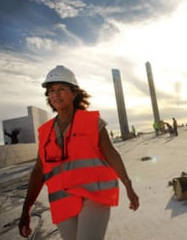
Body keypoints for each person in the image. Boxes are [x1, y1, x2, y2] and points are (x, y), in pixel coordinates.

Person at [18, 65, 139, 239]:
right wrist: (26, 210)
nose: (56, 94)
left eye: (62, 89)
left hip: (94, 196)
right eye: (51, 91)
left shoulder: (92, 122)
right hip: (62, 202)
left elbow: (111, 153)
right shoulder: (45, 132)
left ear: (74, 94)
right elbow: (39, 171)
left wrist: (128, 184)